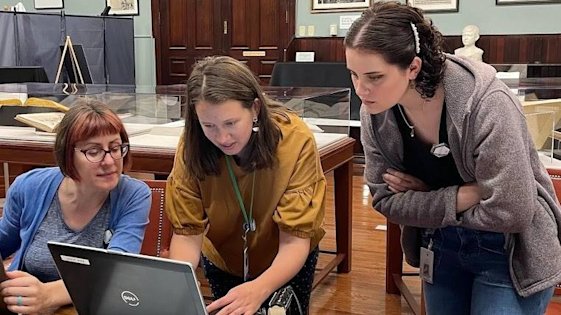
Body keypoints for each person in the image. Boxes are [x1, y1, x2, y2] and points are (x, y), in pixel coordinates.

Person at [344, 2, 560, 314]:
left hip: (510, 252)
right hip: (440, 246)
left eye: (374, 76)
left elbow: (511, 212)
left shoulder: (487, 104)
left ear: (413, 68)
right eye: (353, 74)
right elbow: (383, 200)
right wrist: (464, 195)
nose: (361, 89)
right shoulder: (375, 114)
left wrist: (427, 199)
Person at [165, 55, 326, 315]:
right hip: (224, 260)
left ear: (255, 109)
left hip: (285, 261)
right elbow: (187, 235)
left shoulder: (295, 141)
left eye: (231, 123)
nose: (222, 137)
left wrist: (259, 288)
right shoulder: (192, 147)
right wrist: (177, 287)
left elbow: (294, 242)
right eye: (209, 126)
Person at [0, 101, 151, 314]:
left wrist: (48, 295)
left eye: (115, 148)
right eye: (93, 151)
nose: (109, 161)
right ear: (67, 155)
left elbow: (115, 269)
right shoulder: (29, 186)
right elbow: (3, 242)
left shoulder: (133, 195)